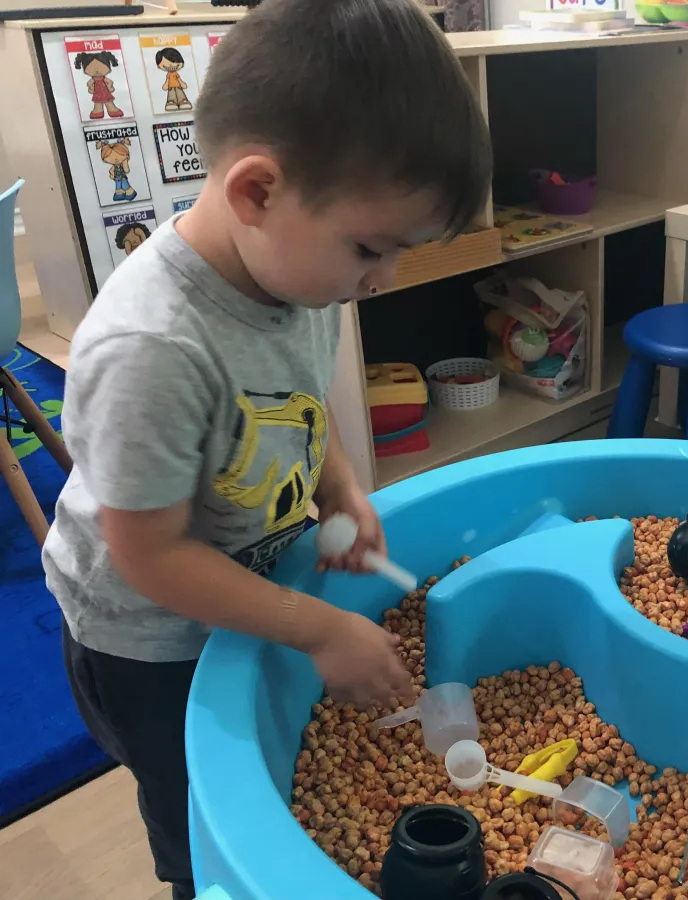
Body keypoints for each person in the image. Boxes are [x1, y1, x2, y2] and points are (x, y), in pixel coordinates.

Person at [42, 1, 491, 898]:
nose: (383, 279)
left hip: (239, 576)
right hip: (150, 638)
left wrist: (338, 486)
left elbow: (294, 403)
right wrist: (319, 627)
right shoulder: (152, 350)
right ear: (256, 191)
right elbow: (150, 555)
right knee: (197, 807)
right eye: (372, 248)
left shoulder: (291, 272)